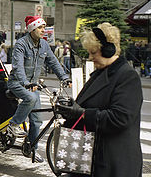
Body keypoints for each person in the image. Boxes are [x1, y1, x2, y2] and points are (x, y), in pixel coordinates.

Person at [59, 22, 143, 177]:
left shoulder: (127, 77)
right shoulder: (100, 73)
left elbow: (120, 118)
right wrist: (71, 109)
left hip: (113, 163)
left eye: (93, 52)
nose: (90, 58)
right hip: (92, 159)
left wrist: (82, 114)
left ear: (108, 50)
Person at [7, 15, 71, 163]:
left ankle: (31, 149)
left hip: (33, 84)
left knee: (36, 121)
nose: (44, 30)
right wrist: (24, 82)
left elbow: (54, 62)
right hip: (17, 82)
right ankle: (14, 124)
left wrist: (64, 77)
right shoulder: (21, 44)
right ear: (32, 29)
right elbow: (18, 66)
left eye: (44, 27)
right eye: (40, 27)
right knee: (31, 97)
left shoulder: (44, 44)